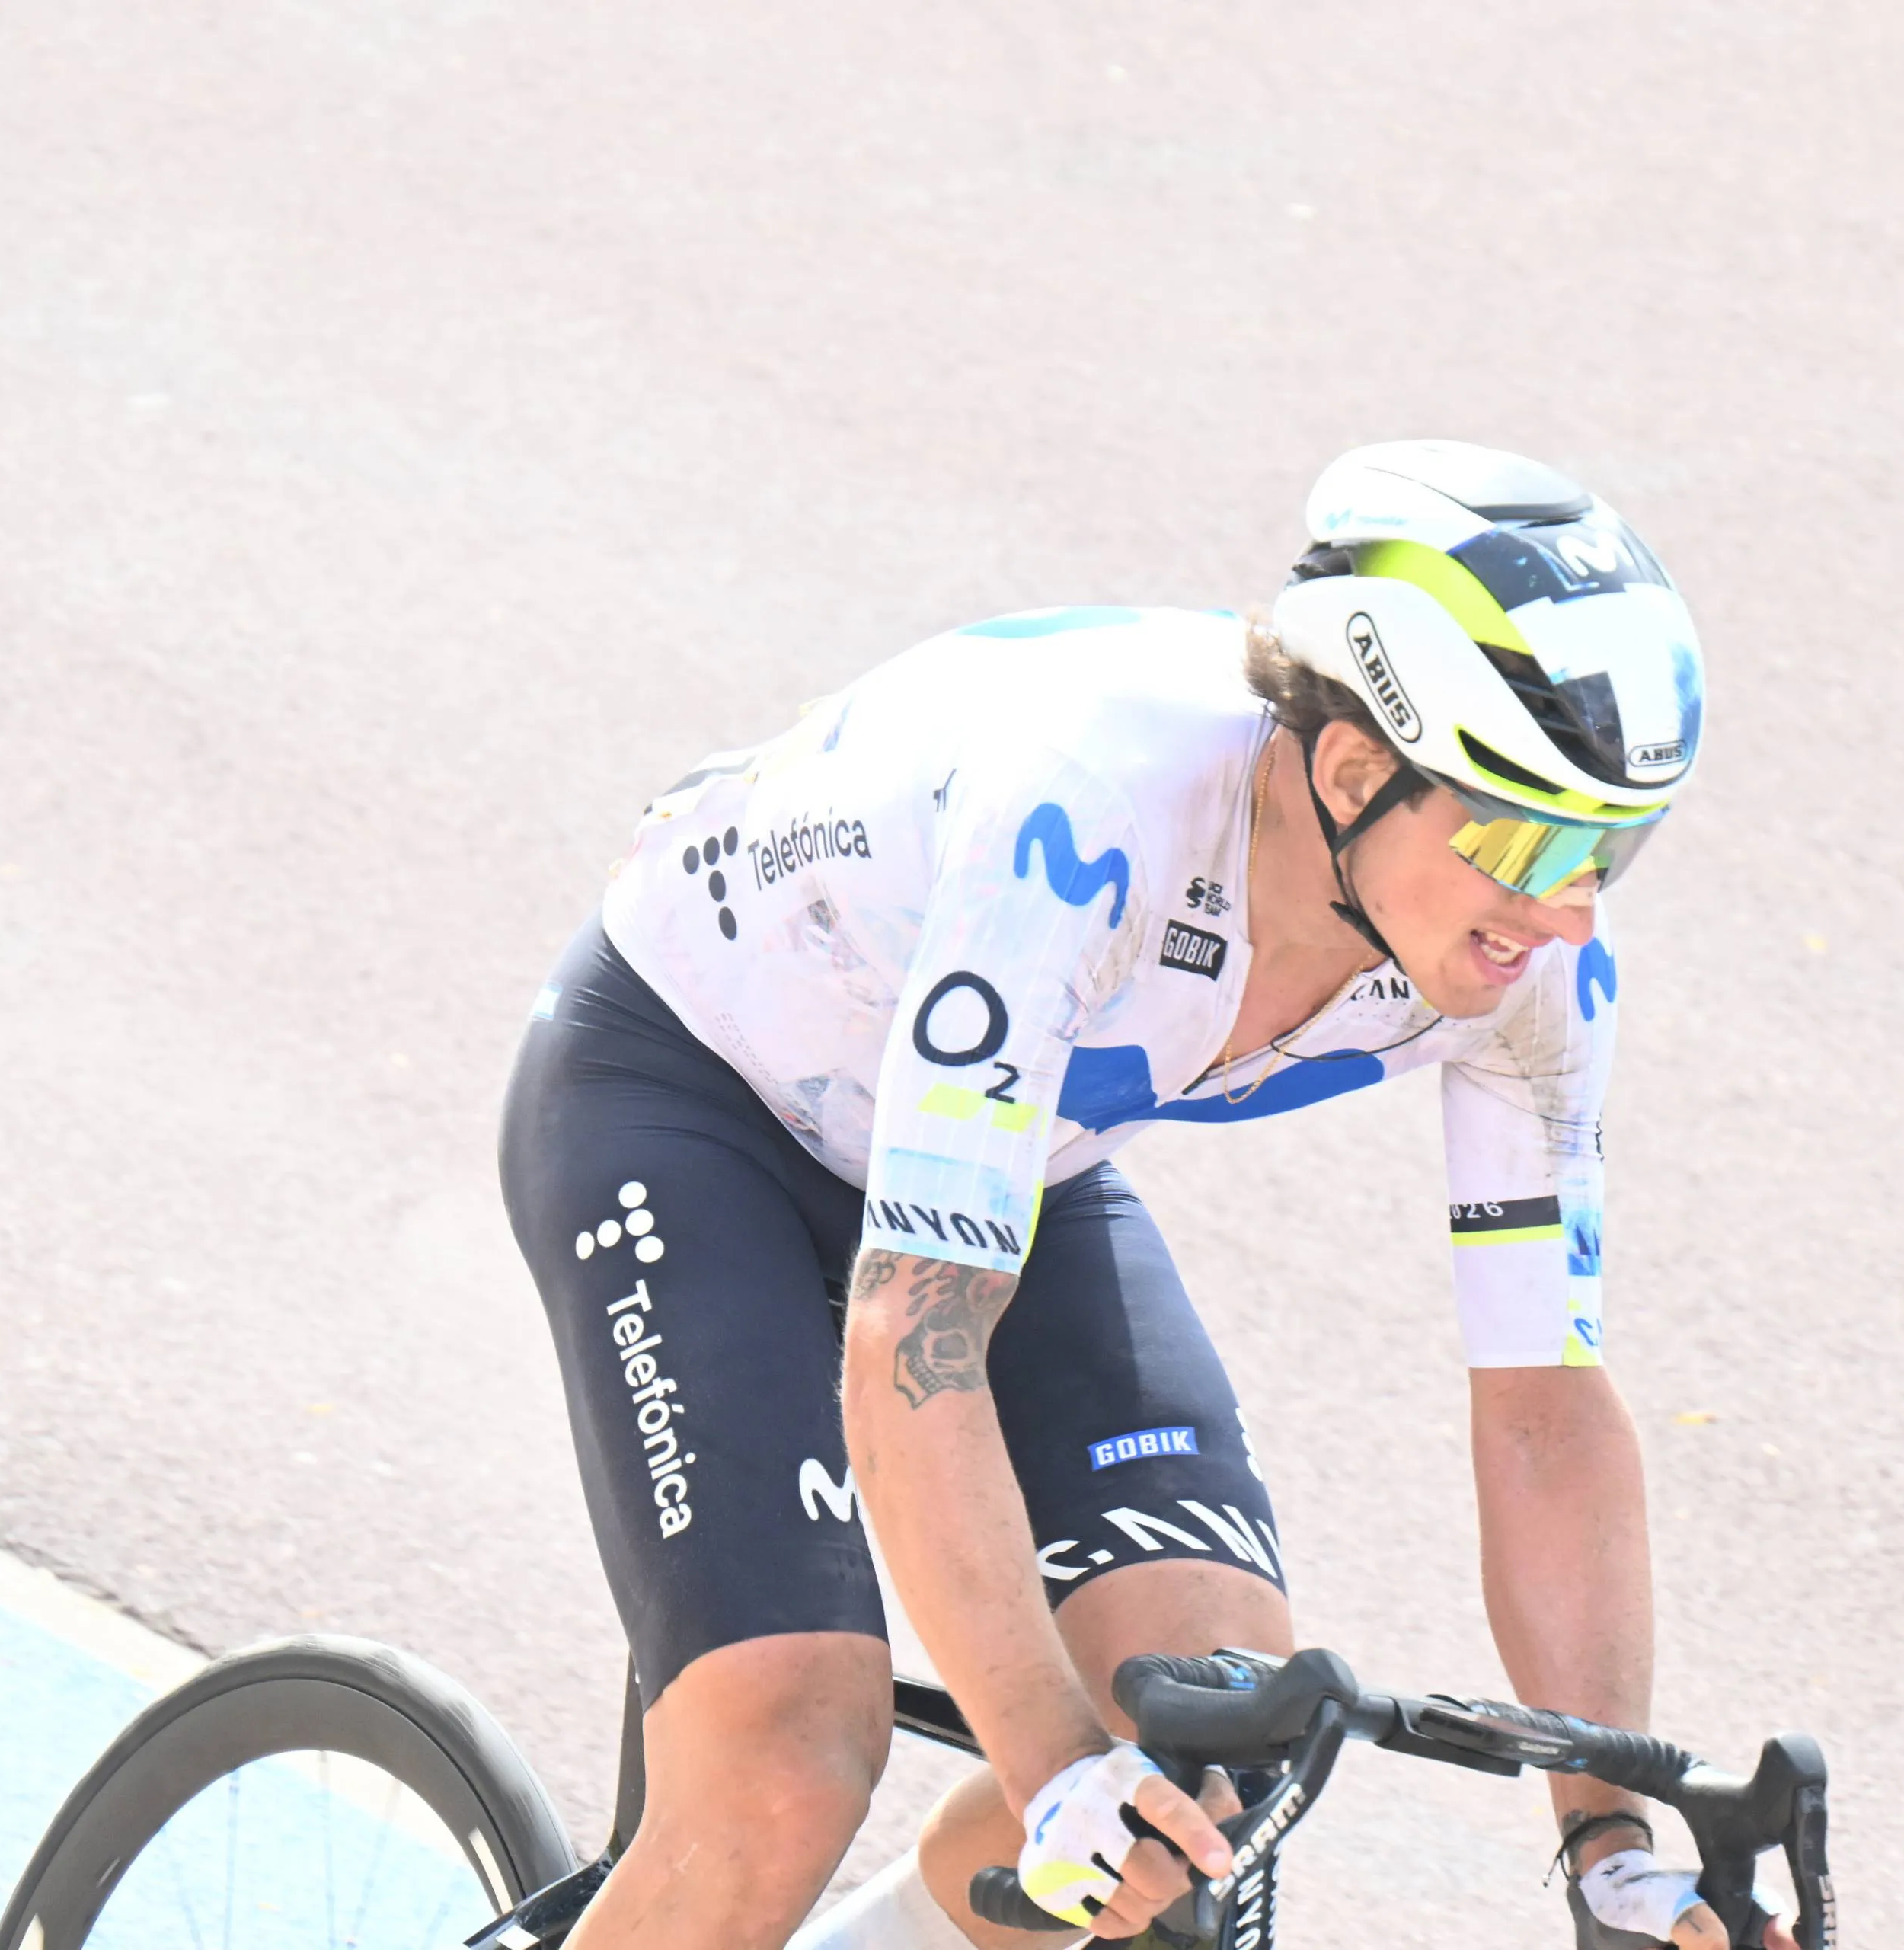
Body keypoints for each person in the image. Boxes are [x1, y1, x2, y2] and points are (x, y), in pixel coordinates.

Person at [500, 440, 1783, 1948]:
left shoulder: (1529, 963)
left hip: (1001, 1154)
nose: (1569, 907)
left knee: (1211, 1756)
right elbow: (914, 1343)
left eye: (1613, 846)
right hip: (691, 1096)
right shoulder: (1092, 813)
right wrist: (1050, 1771)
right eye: (1531, 837)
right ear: (1359, 772)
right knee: (786, 1759)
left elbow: (1545, 1406)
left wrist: (1609, 1838)